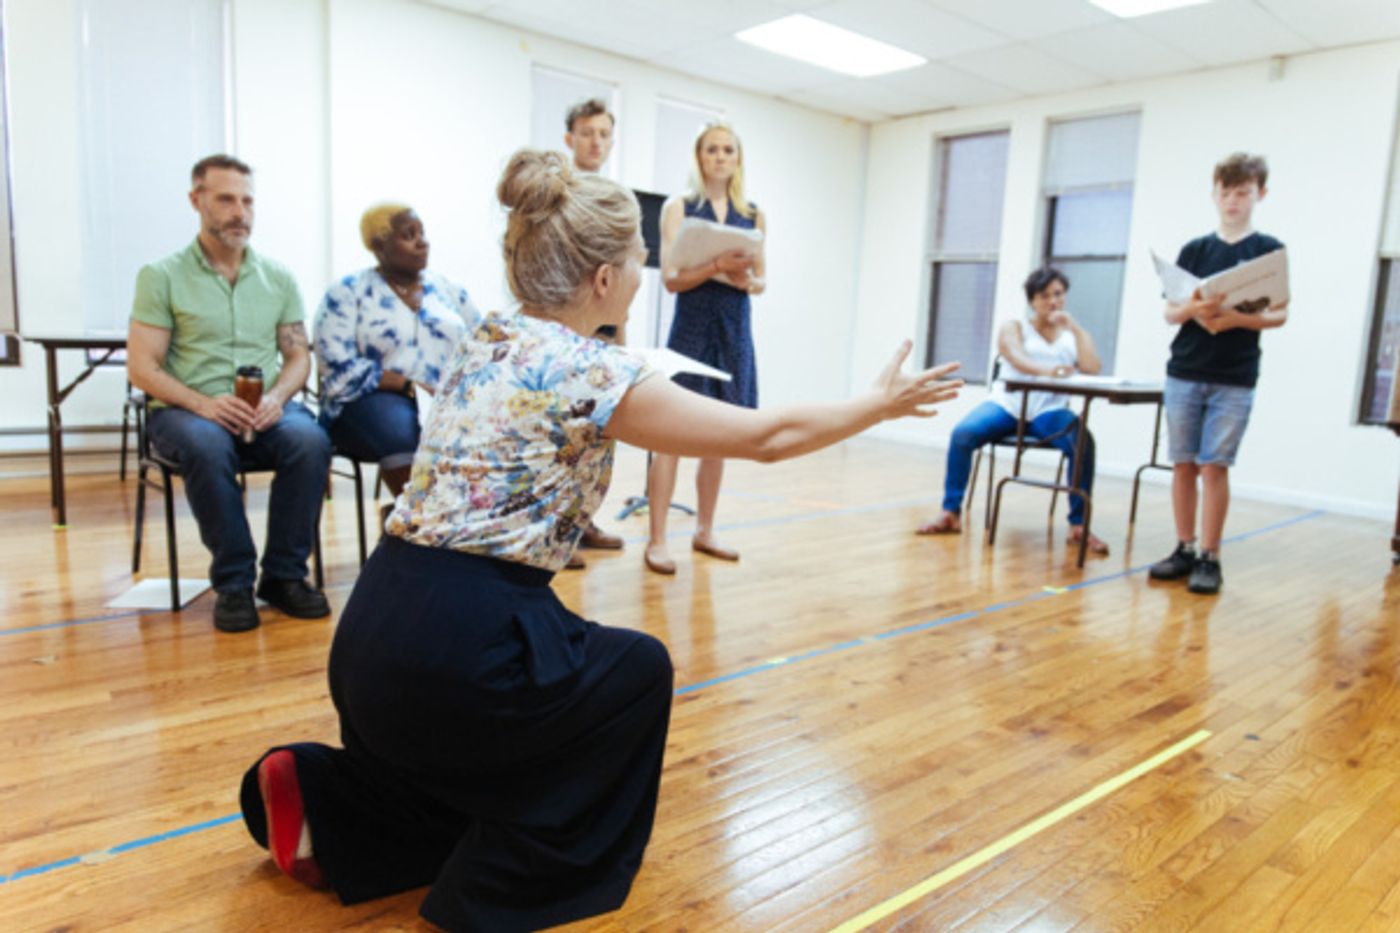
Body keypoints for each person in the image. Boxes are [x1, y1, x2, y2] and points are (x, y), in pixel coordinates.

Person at [236, 149, 961, 932]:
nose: (644, 274)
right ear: (605, 282)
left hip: (373, 641)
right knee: (636, 670)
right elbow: (770, 436)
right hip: (454, 658)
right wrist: (877, 405)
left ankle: (334, 802)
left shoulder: (486, 335)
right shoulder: (590, 373)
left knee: (529, 668)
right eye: (639, 261)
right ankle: (500, 885)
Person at [127, 154, 332, 634]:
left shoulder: (278, 277)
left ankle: (283, 576)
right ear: (196, 200)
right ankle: (235, 582)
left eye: (247, 200)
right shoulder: (161, 276)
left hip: (263, 408)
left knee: (311, 441)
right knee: (206, 443)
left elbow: (298, 356)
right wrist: (204, 404)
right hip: (187, 410)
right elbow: (142, 366)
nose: (239, 212)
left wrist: (278, 399)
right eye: (225, 199)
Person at [1149, 152, 1289, 595]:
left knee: (1215, 466)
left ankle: (1210, 556)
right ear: (1214, 194)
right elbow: (1172, 311)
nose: (1233, 201)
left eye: (1243, 192)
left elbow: (1280, 313)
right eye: (1225, 192)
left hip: (1235, 375)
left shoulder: (1268, 250)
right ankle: (1184, 547)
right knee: (1183, 463)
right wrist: (1196, 308)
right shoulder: (1195, 249)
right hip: (1185, 368)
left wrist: (1234, 319)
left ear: (1259, 194)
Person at [917, 267, 1109, 555]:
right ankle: (950, 512)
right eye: (1045, 296)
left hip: (1049, 411)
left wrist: (1077, 329)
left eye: (1058, 294)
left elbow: (1092, 368)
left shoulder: (1072, 336)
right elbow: (1015, 357)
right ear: (1032, 300)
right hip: (1007, 406)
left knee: (1082, 442)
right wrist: (1050, 371)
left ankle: (1078, 525)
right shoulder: (1015, 327)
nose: (1052, 301)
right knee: (963, 434)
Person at [644, 121, 765, 575]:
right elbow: (673, 278)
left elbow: (762, 280)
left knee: (719, 435)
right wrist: (717, 266)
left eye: (728, 150)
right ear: (699, 156)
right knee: (669, 437)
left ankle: (705, 529)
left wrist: (747, 279)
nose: (720, 157)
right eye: (711, 149)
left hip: (734, 331)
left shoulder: (753, 213)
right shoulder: (679, 208)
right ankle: (657, 540)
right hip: (691, 331)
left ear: (737, 158)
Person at [313, 203, 478, 513]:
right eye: (408, 235)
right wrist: (405, 384)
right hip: (371, 399)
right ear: (379, 245)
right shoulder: (348, 292)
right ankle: (418, 515)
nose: (422, 242)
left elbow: (483, 344)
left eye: (422, 233)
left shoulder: (447, 291)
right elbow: (334, 367)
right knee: (400, 427)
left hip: (446, 398)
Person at [562, 96, 627, 562]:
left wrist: (620, 339)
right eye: (587, 132)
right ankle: (558, 530)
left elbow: (621, 272)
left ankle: (584, 520)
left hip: (604, 326)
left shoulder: (615, 198)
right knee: (563, 432)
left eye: (604, 133)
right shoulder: (557, 192)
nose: (595, 141)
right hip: (564, 323)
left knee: (600, 431)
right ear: (570, 138)